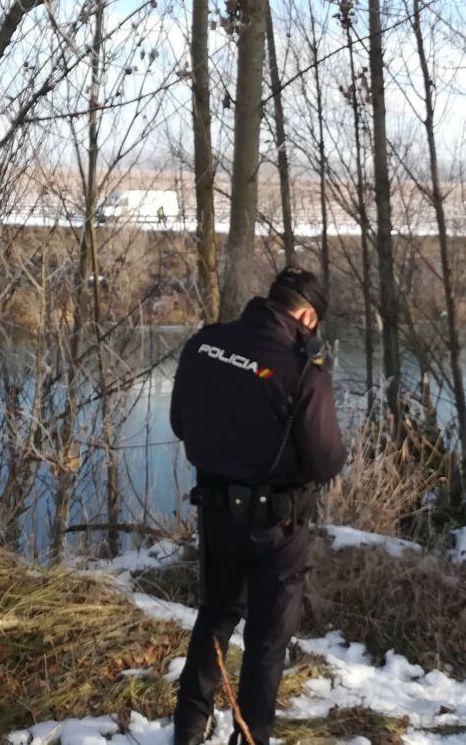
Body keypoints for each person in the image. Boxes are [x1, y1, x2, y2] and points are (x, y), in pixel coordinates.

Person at [169, 268, 346, 745]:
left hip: (216, 510)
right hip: (278, 525)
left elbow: (180, 423)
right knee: (267, 640)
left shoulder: (204, 344)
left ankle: (187, 731)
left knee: (215, 615)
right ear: (307, 315)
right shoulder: (304, 368)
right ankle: (251, 739)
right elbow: (327, 460)